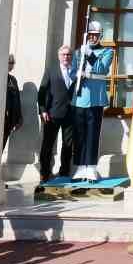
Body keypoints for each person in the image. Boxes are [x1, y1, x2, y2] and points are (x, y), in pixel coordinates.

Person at [70, 22, 115, 181]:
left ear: (100, 36)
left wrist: (89, 55)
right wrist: (78, 74)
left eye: (96, 35)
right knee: (79, 134)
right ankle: (80, 167)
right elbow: (72, 73)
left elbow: (101, 69)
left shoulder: (107, 51)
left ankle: (91, 167)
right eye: (91, 35)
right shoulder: (78, 52)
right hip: (80, 98)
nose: (93, 37)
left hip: (95, 98)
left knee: (92, 134)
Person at [36, 44, 76, 182]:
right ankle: (45, 173)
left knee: (68, 145)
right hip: (52, 114)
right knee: (47, 144)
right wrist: (43, 110)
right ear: (59, 56)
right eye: (64, 54)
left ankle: (64, 172)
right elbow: (41, 91)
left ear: (72, 56)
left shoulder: (76, 71)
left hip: (70, 114)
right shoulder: (51, 70)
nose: (66, 57)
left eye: (69, 54)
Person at [3, 53, 23, 151]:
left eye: (12, 63)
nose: (11, 65)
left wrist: (19, 118)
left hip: (9, 120)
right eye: (9, 62)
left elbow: (17, 100)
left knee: (2, 143)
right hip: (0, 118)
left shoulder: (13, 80)